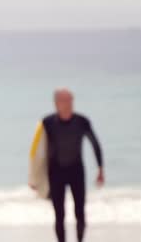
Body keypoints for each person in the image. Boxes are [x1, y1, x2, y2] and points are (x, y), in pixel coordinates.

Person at [30, 88, 104, 242]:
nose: (69, 103)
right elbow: (37, 151)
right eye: (65, 100)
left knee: (80, 212)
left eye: (71, 100)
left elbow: (95, 143)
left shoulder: (82, 121)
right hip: (55, 173)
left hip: (76, 171)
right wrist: (35, 177)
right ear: (56, 103)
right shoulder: (47, 123)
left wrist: (100, 168)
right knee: (59, 214)